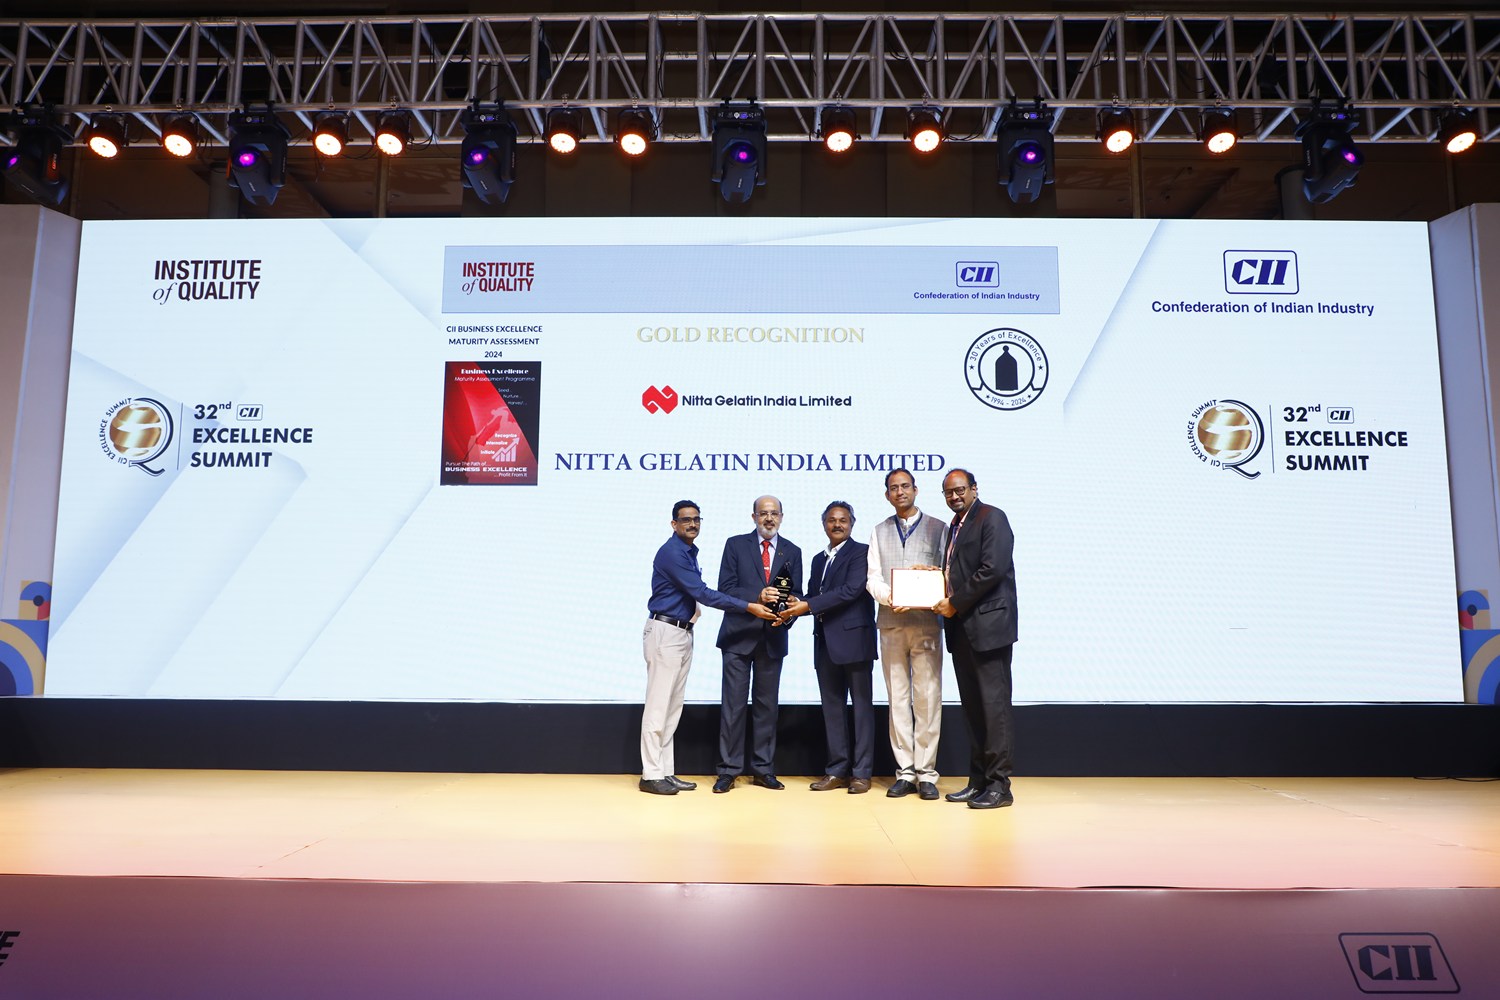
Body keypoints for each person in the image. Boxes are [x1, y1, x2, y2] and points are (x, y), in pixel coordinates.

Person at [642, 500, 778, 796]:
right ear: (674, 524)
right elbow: (702, 593)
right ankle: (651, 774)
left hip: (681, 632)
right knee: (658, 706)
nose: (692, 524)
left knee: (672, 708)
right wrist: (749, 606)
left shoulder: (687, 551)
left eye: (696, 519)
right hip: (666, 631)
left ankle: (665, 771)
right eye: (685, 520)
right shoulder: (672, 553)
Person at [933, 468, 1018, 810]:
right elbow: (956, 571)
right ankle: (978, 781)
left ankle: (999, 786)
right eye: (948, 492)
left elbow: (992, 569)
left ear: (974, 489)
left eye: (960, 490)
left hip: (988, 628)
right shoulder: (955, 525)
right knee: (973, 710)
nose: (954, 496)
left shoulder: (992, 517)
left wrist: (954, 602)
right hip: (962, 630)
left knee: (994, 710)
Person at [780, 502, 878, 793]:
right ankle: (836, 771)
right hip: (824, 643)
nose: (837, 525)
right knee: (832, 710)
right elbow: (812, 596)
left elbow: (850, 591)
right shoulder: (818, 559)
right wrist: (789, 607)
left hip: (855, 642)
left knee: (861, 710)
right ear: (824, 524)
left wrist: (806, 605)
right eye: (832, 520)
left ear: (852, 523)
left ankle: (861, 773)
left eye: (843, 520)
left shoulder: (862, 552)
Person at [865, 468, 949, 800]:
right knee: (897, 698)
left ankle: (927, 773)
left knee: (927, 697)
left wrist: (934, 580)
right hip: (891, 622)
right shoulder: (879, 530)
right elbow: (872, 577)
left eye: (905, 486)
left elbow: (947, 572)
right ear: (887, 494)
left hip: (926, 623)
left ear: (916, 490)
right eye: (893, 488)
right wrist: (891, 597)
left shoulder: (939, 528)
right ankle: (905, 772)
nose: (899, 492)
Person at [713, 495, 803, 792]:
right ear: (753, 517)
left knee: (767, 708)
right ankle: (729, 770)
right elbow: (725, 589)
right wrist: (758, 595)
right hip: (738, 637)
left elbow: (798, 595)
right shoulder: (735, 545)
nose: (769, 518)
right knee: (733, 707)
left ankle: (763, 769)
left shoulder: (793, 551)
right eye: (763, 513)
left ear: (782, 516)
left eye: (774, 513)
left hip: (773, 637)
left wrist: (789, 611)